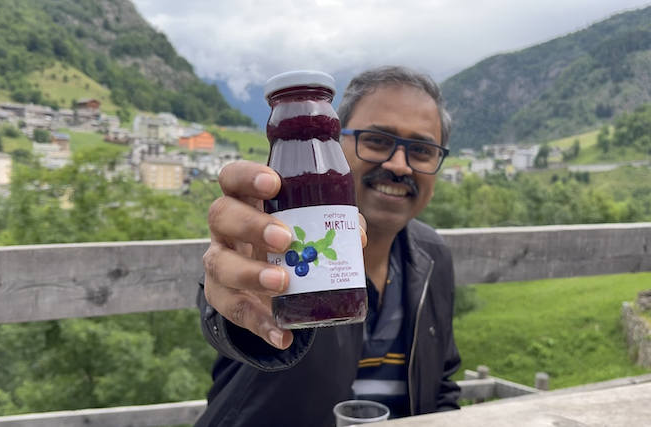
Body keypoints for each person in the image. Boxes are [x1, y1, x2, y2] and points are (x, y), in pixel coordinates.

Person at [197, 66, 461, 427]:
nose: (400, 165)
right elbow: (229, 313)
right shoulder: (275, 246)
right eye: (378, 140)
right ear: (332, 141)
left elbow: (443, 385)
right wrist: (248, 307)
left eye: (422, 150)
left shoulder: (434, 256)